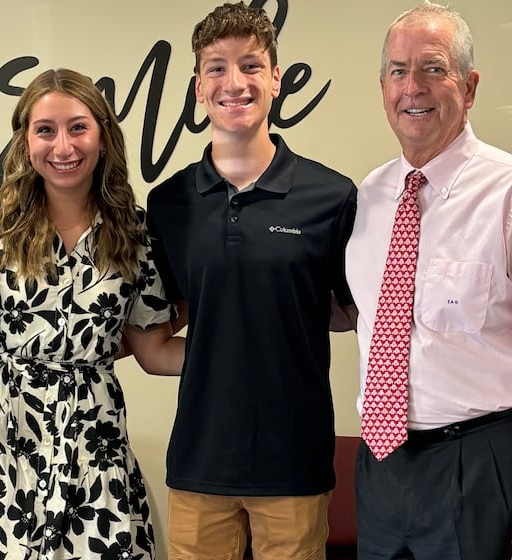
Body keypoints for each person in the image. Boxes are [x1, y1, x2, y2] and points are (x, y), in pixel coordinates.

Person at [345, 3, 512, 559]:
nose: (412, 86)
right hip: (382, 469)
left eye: (433, 69)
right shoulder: (368, 199)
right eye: (397, 70)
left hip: (483, 467)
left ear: (469, 86)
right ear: (383, 86)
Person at [0, 68, 184, 560]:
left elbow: (154, 351)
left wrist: (245, 346)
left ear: (103, 135)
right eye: (46, 130)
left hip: (93, 438)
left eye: (78, 127)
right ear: (25, 140)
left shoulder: (136, 234)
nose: (63, 146)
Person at [146, 3, 358, 558]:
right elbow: (164, 326)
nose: (233, 82)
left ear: (276, 81)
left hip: (294, 462)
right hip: (199, 461)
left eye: (251, 66)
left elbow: (348, 312)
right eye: (216, 67)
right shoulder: (167, 203)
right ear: (198, 87)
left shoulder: (332, 197)